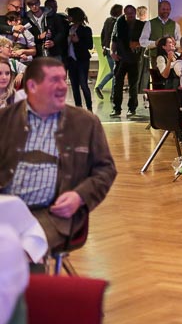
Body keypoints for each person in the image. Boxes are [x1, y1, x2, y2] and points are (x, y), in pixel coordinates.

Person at [0, 58, 117, 249]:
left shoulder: (85, 123)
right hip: (5, 209)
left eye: (64, 79)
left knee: (13, 249)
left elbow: (106, 170)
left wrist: (79, 196)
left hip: (52, 215)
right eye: (54, 80)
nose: (63, 86)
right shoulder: (5, 120)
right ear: (32, 86)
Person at [111, 5, 145, 118]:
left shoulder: (141, 25)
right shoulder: (119, 23)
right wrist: (112, 52)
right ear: (124, 14)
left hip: (134, 59)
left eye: (132, 13)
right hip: (120, 58)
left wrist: (137, 44)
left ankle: (132, 108)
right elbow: (114, 39)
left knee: (133, 85)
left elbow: (146, 41)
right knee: (117, 84)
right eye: (128, 13)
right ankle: (116, 108)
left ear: (135, 13)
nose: (130, 15)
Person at [140, 0, 181, 74]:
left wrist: (175, 43)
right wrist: (155, 43)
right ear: (158, 9)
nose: (166, 11)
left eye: (168, 9)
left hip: (171, 58)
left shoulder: (175, 25)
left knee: (171, 78)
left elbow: (180, 42)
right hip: (155, 57)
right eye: (163, 9)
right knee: (157, 78)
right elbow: (142, 41)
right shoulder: (149, 23)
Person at [65, 7, 93, 112]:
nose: (68, 17)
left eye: (70, 15)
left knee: (83, 84)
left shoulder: (85, 29)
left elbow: (90, 45)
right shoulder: (68, 28)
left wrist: (78, 41)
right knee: (74, 85)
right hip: (71, 60)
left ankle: (89, 107)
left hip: (82, 60)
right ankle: (78, 108)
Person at [95, 4, 123, 100]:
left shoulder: (107, 20)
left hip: (106, 50)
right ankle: (110, 92)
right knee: (116, 72)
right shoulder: (118, 22)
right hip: (115, 51)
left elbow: (103, 34)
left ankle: (102, 88)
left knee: (114, 71)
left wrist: (103, 46)